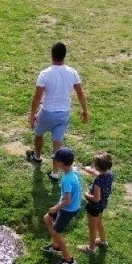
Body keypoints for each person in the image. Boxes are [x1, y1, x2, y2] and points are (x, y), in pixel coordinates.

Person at [26, 42, 90, 181]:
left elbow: (37, 96)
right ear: (64, 55)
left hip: (47, 112)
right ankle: (55, 173)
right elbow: (80, 93)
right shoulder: (72, 72)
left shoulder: (45, 74)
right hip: (64, 113)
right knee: (57, 142)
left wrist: (32, 114)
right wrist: (85, 110)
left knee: (38, 134)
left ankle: (37, 157)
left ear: (52, 55)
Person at [41, 147, 81, 264]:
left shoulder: (66, 180)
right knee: (47, 218)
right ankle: (55, 246)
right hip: (68, 206)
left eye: (56, 161)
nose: (55, 162)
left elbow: (67, 200)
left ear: (61, 163)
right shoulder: (73, 171)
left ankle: (68, 259)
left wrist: (55, 208)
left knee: (57, 233)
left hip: (68, 209)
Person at [78, 152, 114, 254]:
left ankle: (91, 248)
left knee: (92, 227)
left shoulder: (98, 181)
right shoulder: (110, 174)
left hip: (94, 206)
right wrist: (93, 172)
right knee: (99, 222)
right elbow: (102, 176)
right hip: (103, 204)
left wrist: (86, 194)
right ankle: (103, 241)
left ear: (98, 166)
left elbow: (96, 198)